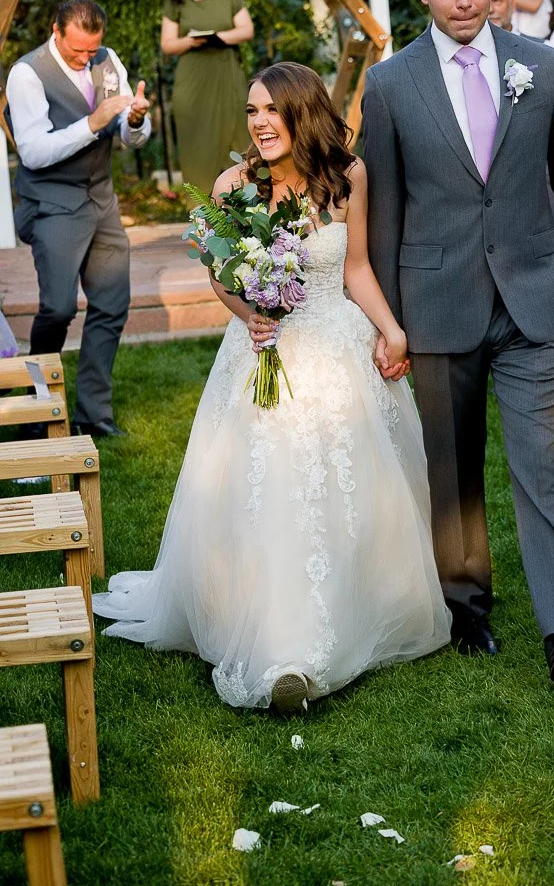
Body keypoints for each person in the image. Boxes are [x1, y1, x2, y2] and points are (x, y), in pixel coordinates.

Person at [93, 63, 451, 712]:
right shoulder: (235, 184)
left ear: (301, 113)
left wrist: (391, 330)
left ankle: (359, 605)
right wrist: (246, 312)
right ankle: (284, 652)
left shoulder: (348, 178)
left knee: (344, 488)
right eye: (251, 110)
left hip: (334, 342)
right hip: (262, 349)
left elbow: (358, 267)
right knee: (273, 487)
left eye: (269, 110)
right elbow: (222, 275)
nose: (257, 122)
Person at [361, 0, 554, 692]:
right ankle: (467, 609)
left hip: (533, 296)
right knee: (454, 471)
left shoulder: (538, 67)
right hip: (435, 301)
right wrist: (386, 322)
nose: (464, 0)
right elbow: (383, 213)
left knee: (540, 462)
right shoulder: (389, 83)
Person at [6, 0, 151, 437]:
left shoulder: (108, 61)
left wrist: (136, 123)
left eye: (92, 50)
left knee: (111, 305)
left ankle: (93, 414)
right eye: (77, 51)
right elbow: (33, 151)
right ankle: (35, 413)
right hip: (53, 201)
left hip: (100, 198)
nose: (86, 59)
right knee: (58, 307)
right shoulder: (27, 73)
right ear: (56, 31)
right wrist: (92, 122)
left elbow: (127, 135)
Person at [161, 0, 254, 191]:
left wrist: (217, 38)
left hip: (227, 74)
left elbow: (247, 29)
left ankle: (253, 214)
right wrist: (193, 41)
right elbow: (167, 44)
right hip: (193, 82)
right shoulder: (176, 0)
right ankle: (203, 221)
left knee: (242, 141)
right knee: (198, 151)